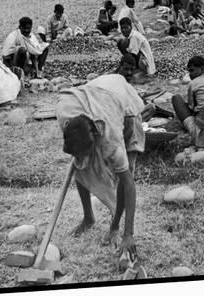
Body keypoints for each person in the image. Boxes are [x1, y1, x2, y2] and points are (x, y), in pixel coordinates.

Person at [56, 61, 145, 260]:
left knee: (125, 172)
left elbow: (128, 183)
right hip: (96, 92)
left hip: (124, 104)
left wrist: (127, 234)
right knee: (81, 168)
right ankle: (89, 218)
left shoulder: (110, 139)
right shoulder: (64, 113)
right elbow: (80, 159)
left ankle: (115, 226)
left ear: (95, 141)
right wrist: (80, 156)